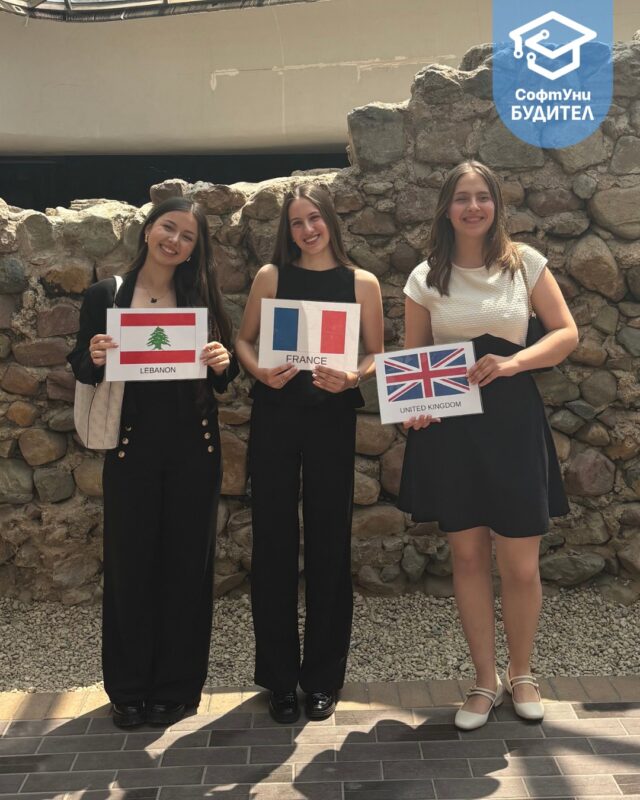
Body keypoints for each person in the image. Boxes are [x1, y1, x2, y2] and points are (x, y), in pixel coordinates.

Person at [399, 161, 578, 730]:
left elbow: (566, 333)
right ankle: (483, 680)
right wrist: (414, 407)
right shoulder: (425, 277)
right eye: (461, 197)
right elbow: (415, 359)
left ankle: (522, 674)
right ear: (446, 208)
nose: (472, 207)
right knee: (469, 557)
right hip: (453, 430)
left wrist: (512, 363)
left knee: (521, 565)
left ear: (496, 204)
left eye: (482, 196)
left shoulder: (524, 263)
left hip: (512, 422)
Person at [68, 197, 237, 729]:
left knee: (188, 569)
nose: (175, 241)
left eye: (188, 236)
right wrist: (95, 356)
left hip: (195, 450)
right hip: (131, 448)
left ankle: (176, 687)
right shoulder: (107, 295)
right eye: (168, 227)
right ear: (148, 230)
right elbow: (81, 365)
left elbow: (224, 378)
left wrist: (222, 362)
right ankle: (128, 688)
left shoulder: (201, 296)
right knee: (130, 567)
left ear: (194, 249)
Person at [235, 183, 383, 724]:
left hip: (331, 420)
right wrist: (258, 371)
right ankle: (278, 678)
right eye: (296, 222)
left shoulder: (361, 282)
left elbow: (375, 353)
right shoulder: (271, 277)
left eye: (314, 218)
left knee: (329, 543)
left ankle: (323, 678)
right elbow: (244, 341)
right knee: (273, 542)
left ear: (331, 221)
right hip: (275, 417)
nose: (307, 230)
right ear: (287, 230)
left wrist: (354, 377)